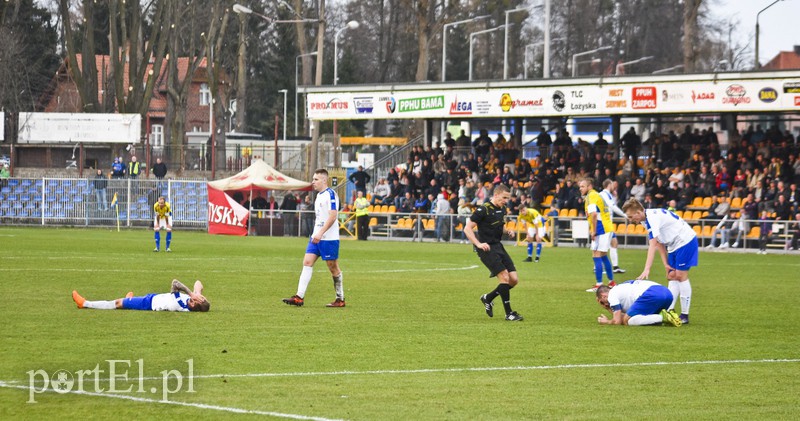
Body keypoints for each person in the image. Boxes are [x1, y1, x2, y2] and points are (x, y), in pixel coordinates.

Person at [622, 198, 698, 325]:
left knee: (680, 276)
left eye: (631, 216)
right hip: (673, 244)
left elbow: (652, 245)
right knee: (671, 275)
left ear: (639, 212)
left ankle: (685, 314)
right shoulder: (645, 220)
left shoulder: (652, 218)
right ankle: (669, 310)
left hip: (685, 240)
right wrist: (665, 264)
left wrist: (647, 268)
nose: (630, 220)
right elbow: (658, 243)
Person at [283, 169, 345, 307]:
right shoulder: (318, 196)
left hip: (328, 238)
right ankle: (299, 297)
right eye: (313, 179)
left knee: (333, 267)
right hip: (316, 237)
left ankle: (340, 299)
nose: (313, 182)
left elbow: (333, 216)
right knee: (307, 262)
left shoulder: (331, 194)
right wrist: (315, 233)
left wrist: (321, 232)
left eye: (316, 179)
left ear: (324, 180)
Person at [464, 184, 524, 321]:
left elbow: (499, 226)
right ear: (496, 195)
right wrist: (478, 244)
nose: (505, 201)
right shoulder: (483, 209)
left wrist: (507, 231)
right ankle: (509, 314)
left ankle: (488, 298)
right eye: (504, 198)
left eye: (507, 198)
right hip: (486, 248)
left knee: (513, 280)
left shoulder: (502, 209)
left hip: (498, 246)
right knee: (504, 277)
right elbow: (467, 229)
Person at [72, 279, 209, 312]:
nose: (192, 299)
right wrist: (199, 294)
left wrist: (192, 293)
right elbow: (198, 282)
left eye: (193, 301)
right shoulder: (191, 303)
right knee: (127, 300)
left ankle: (84, 303)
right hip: (154, 297)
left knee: (118, 303)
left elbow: (175, 283)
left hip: (147, 303)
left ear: (192, 306)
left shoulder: (178, 303)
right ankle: (129, 299)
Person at [579, 178, 615, 292]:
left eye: (583, 186)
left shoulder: (591, 196)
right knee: (603, 254)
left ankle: (599, 284)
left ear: (589, 186)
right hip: (606, 227)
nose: (580, 188)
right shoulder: (595, 195)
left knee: (596, 254)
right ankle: (611, 282)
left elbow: (594, 214)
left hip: (601, 229)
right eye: (580, 186)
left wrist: (593, 231)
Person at [595, 280, 682, 327]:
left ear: (603, 296)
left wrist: (607, 321)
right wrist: (608, 308)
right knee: (634, 317)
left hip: (651, 294)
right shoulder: (621, 287)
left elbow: (618, 321)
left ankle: (663, 317)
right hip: (666, 293)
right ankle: (668, 317)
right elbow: (620, 315)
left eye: (602, 302)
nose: (605, 304)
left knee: (626, 321)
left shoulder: (612, 295)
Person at [599, 179, 627, 273]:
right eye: (612, 185)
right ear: (609, 185)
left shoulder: (608, 194)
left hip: (608, 223)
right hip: (605, 223)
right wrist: (624, 215)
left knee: (614, 243)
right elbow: (612, 206)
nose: (613, 187)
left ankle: (615, 267)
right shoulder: (604, 194)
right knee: (604, 246)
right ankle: (600, 267)